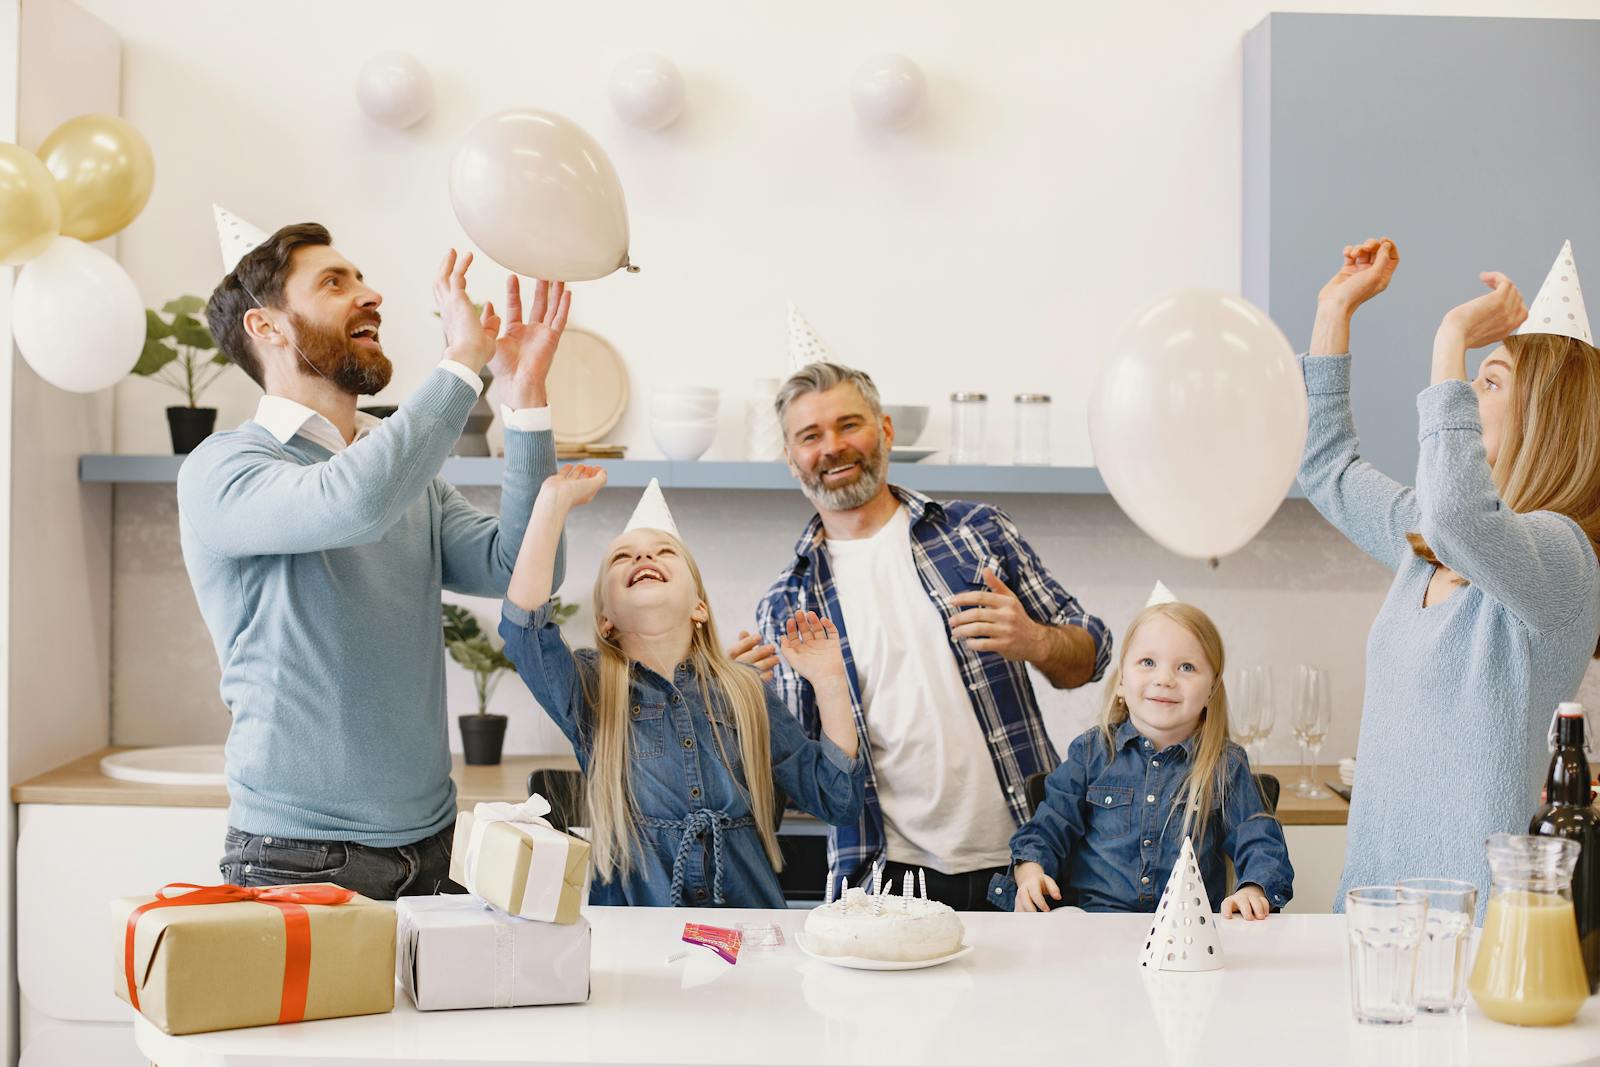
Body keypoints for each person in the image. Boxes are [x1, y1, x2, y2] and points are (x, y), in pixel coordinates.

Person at [182, 212, 569, 898]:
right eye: (334, 282)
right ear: (266, 327)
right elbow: (351, 503)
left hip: (433, 844)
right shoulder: (226, 469)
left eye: (361, 278)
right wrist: (461, 363)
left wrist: (525, 399)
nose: (371, 295)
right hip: (296, 855)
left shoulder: (404, 476)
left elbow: (519, 568)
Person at [742, 361, 1110, 909]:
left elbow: (1093, 653)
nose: (832, 447)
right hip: (885, 881)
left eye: (849, 425)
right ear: (792, 459)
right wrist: (737, 696)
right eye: (810, 436)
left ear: (886, 431)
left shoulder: (976, 533)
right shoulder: (787, 606)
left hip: (1031, 859)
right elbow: (808, 782)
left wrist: (1033, 640)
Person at [1301, 237, 1600, 909]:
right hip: (1373, 914)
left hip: (1475, 934)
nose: (1462, 392)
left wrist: (1453, 335)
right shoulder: (1424, 550)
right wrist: (1334, 309)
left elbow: (1462, 516)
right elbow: (1328, 469)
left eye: (1487, 381)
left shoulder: (1565, 560)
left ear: (1544, 423)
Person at [498, 468, 866, 907]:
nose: (642, 558)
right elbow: (525, 631)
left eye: (663, 551)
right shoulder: (592, 689)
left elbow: (836, 800)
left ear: (699, 607)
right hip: (633, 935)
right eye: (622, 558)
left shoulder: (745, 692)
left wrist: (829, 683)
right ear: (605, 620)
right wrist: (552, 505)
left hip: (745, 931)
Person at [996, 597, 1293, 916]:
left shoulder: (1225, 764)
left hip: (1187, 936)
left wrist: (1253, 889)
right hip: (1094, 931)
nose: (1165, 679)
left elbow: (1258, 840)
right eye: (1148, 662)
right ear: (1122, 680)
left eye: (1187, 667)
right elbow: (1048, 827)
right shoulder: (1091, 753)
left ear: (1211, 689)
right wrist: (1031, 873)